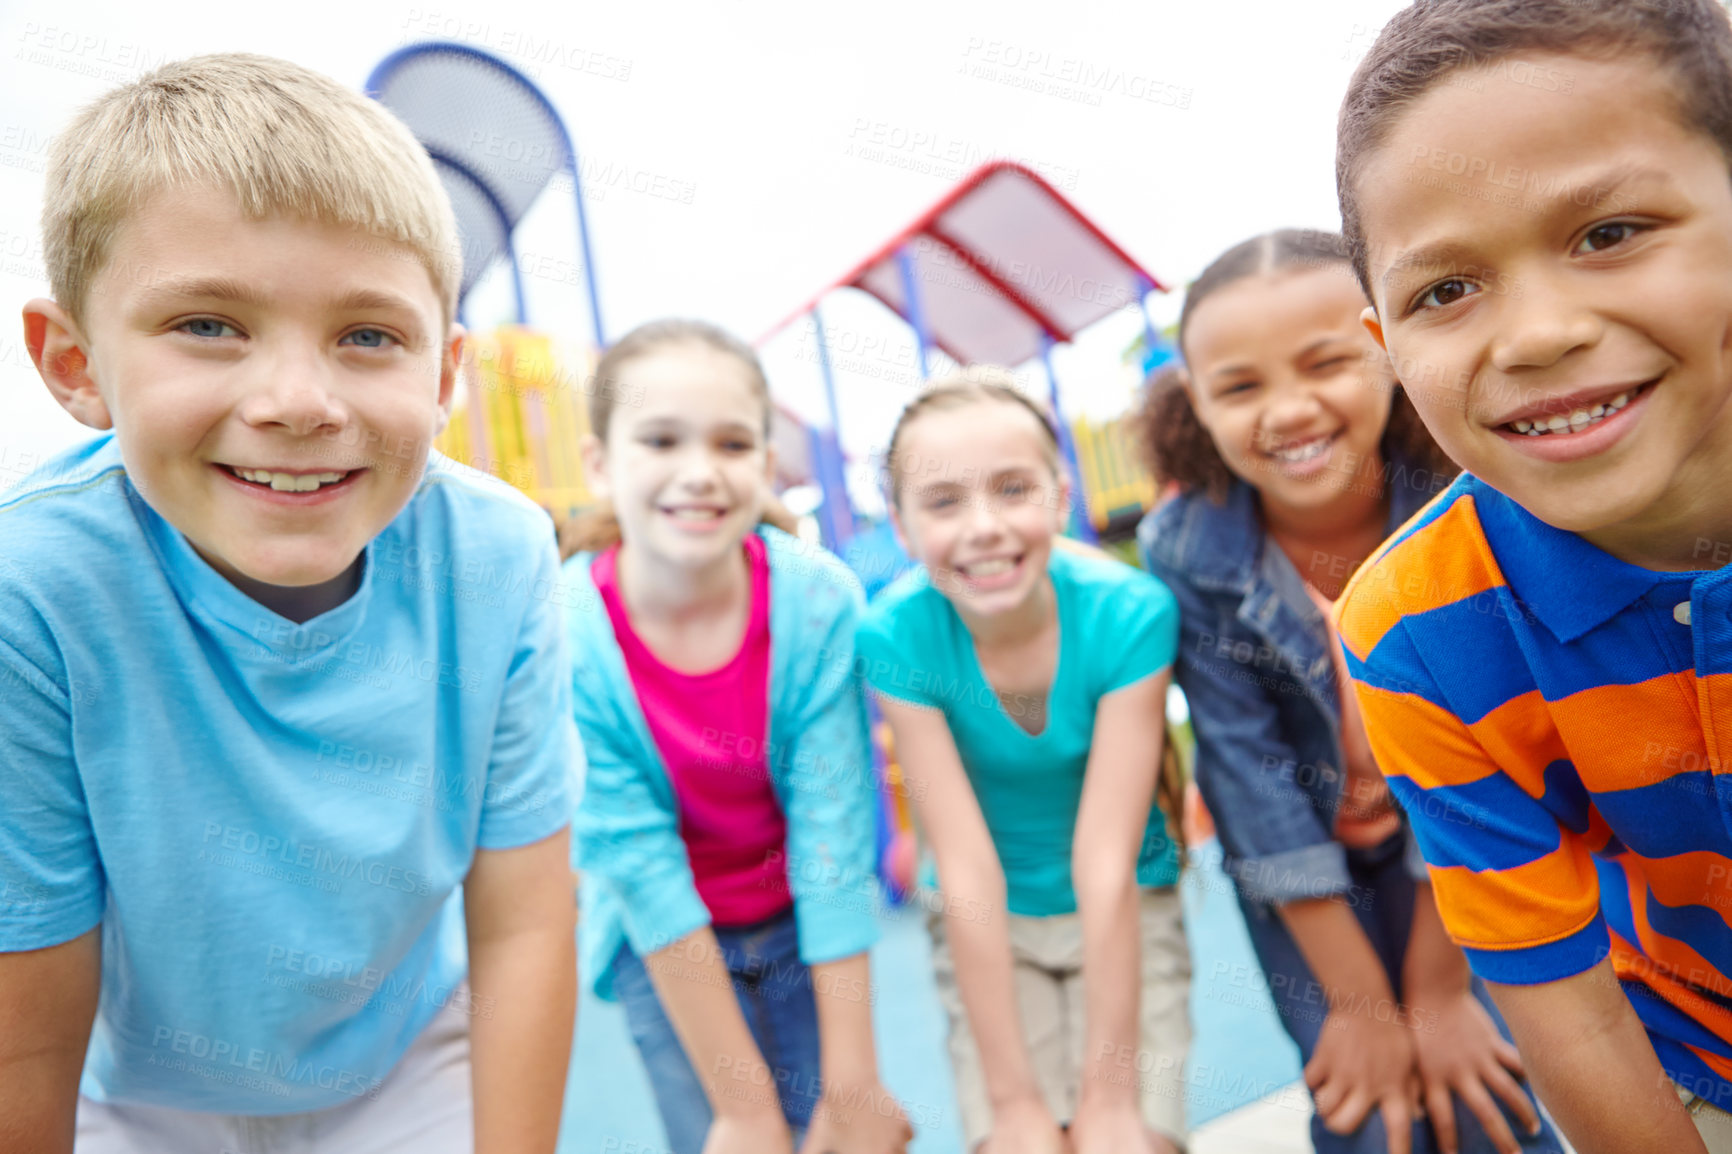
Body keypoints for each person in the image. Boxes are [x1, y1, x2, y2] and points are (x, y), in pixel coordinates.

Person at [0, 55, 582, 1154]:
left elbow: (525, 921)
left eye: (368, 336)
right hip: (141, 1086)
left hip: (408, 1054)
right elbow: (28, 1017)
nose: (299, 402)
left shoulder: (499, 556)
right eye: (208, 324)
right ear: (76, 362)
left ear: (444, 371)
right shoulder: (33, 591)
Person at [1333, 2, 1732, 1151]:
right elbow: (1563, 1001)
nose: (1537, 334)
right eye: (1444, 291)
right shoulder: (1415, 627)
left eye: (1609, 231)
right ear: (1387, 348)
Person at [1135, 228, 1562, 1154]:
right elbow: (1244, 768)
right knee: (1374, 1120)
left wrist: (1441, 992)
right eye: (1239, 387)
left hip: (1472, 834)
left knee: (1490, 1098)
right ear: (1194, 406)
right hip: (1303, 870)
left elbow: (1486, 764)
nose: (1287, 411)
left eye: (1326, 363)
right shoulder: (1190, 548)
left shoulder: (1465, 498)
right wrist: (1363, 1006)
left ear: (1389, 351)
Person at [562, 319, 911, 1154]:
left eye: (731, 442)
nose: (699, 472)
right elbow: (638, 865)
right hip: (666, 945)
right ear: (601, 464)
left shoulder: (817, 601)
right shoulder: (565, 636)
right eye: (660, 440)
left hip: (799, 921)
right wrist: (746, 1112)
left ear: (763, 463)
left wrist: (854, 1083)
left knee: (849, 1132)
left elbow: (830, 831)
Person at [856, 369, 1190, 1154]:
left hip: (1125, 902)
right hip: (988, 919)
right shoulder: (895, 636)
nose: (984, 527)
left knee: (1125, 1141)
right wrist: (1012, 1105)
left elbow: (1106, 863)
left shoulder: (1127, 613)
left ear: (1060, 494)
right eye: (943, 502)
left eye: (1013, 489)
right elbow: (964, 869)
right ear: (901, 527)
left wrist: (1110, 1101)